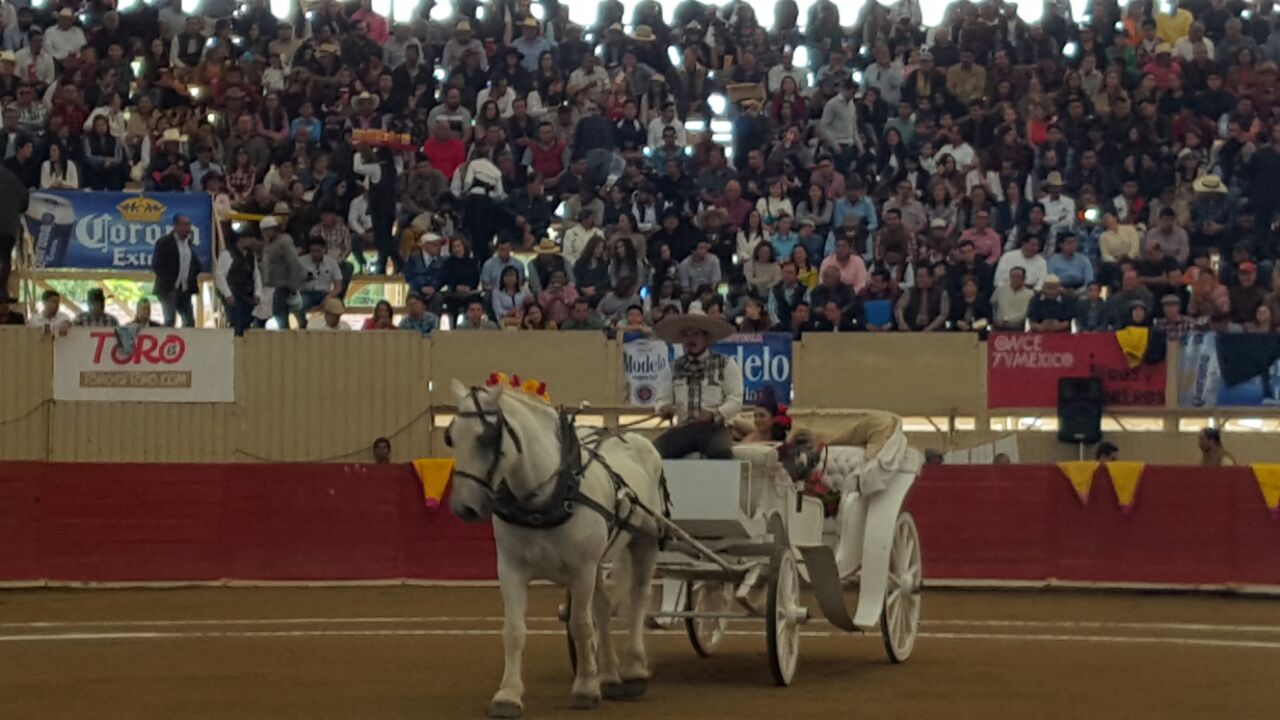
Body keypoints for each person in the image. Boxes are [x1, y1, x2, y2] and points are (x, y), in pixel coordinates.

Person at [652, 310, 744, 460]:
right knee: (654, 453)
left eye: (695, 334)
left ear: (706, 338)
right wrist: (664, 408)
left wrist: (715, 414)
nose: (690, 340)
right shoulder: (674, 367)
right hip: (683, 428)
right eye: (686, 336)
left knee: (720, 452)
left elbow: (736, 399)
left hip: (715, 429)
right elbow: (661, 399)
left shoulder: (725, 364)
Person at [151, 214, 201, 328]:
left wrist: (191, 277)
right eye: (184, 225)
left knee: (189, 321)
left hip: (184, 289)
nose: (188, 228)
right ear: (176, 226)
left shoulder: (189, 244)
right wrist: (170, 287)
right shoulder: (164, 243)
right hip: (168, 289)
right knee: (169, 320)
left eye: (189, 224)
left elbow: (194, 265)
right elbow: (157, 266)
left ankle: (187, 344)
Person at [215, 231, 262, 337]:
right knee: (236, 323)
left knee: (247, 323)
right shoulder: (227, 254)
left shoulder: (250, 255)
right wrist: (227, 294)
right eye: (250, 238)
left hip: (247, 296)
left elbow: (256, 275)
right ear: (242, 239)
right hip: (234, 295)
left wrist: (258, 292)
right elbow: (220, 275)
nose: (253, 241)